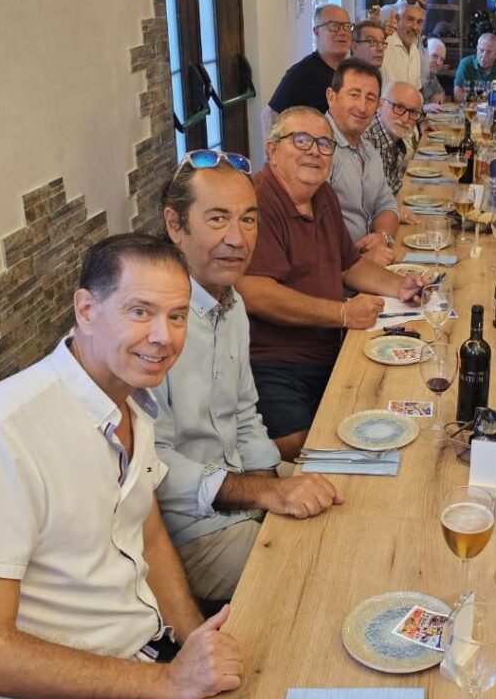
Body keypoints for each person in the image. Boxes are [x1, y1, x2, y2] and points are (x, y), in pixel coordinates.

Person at [0, 234, 243, 699]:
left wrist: (192, 642)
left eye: (176, 316)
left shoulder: (130, 405)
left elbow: (150, 535)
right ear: (86, 309)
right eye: (140, 311)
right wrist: (169, 680)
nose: (163, 336)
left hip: (140, 665)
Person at [155, 159, 342, 603]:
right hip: (187, 529)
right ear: (175, 225)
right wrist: (265, 493)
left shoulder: (232, 302)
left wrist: (268, 483)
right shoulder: (153, 325)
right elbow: (152, 467)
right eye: (217, 219)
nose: (238, 239)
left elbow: (243, 412)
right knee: (321, 574)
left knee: (350, 502)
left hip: (239, 492)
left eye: (249, 219)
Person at [237, 106, 423, 460]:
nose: (314, 151)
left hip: (328, 351)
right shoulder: (258, 202)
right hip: (273, 362)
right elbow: (256, 293)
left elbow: (348, 265)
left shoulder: (322, 195)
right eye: (301, 140)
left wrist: (399, 286)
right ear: (272, 150)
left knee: (394, 406)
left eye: (324, 144)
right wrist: (342, 313)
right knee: (311, 444)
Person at [324, 59, 400, 265]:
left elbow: (387, 205)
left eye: (370, 98)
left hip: (368, 263)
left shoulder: (369, 151)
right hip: (338, 270)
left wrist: (382, 237)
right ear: (331, 97)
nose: (362, 107)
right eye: (354, 95)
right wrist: (357, 261)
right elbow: (310, 233)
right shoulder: (318, 149)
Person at [264, 4, 352, 129]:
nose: (342, 32)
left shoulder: (350, 71)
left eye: (347, 26)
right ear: (316, 32)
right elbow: (269, 116)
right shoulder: (301, 73)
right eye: (334, 26)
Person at [363, 80, 424, 195]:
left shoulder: (395, 141)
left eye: (413, 112)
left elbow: (392, 192)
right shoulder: (366, 141)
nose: (405, 119)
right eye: (399, 107)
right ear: (379, 105)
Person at [453, 33, 496, 103]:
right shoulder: (466, 64)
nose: (484, 55)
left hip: (495, 109)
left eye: (488, 52)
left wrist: (477, 100)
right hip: (472, 109)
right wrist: (485, 102)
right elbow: (457, 96)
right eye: (481, 50)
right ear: (477, 49)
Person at [382, 0, 428, 91]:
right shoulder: (383, 45)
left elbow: (416, 90)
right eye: (410, 19)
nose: (415, 27)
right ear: (397, 19)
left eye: (419, 22)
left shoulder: (415, 52)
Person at [422, 37, 446, 105]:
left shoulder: (431, 75)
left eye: (442, 59)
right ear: (424, 53)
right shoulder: (413, 72)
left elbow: (441, 92)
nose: (438, 62)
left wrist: (440, 96)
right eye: (434, 56)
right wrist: (424, 107)